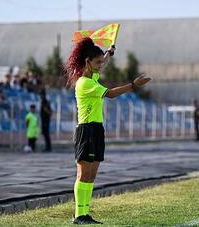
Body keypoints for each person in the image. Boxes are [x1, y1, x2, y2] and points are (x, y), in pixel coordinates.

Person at [64, 37, 151, 225]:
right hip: (86, 130)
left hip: (96, 129)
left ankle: (85, 214)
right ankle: (79, 215)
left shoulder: (92, 75)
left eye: (101, 62)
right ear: (87, 62)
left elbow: (100, 64)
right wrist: (134, 85)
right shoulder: (84, 83)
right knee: (83, 174)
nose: (100, 66)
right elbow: (110, 94)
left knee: (92, 174)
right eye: (97, 63)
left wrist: (108, 54)